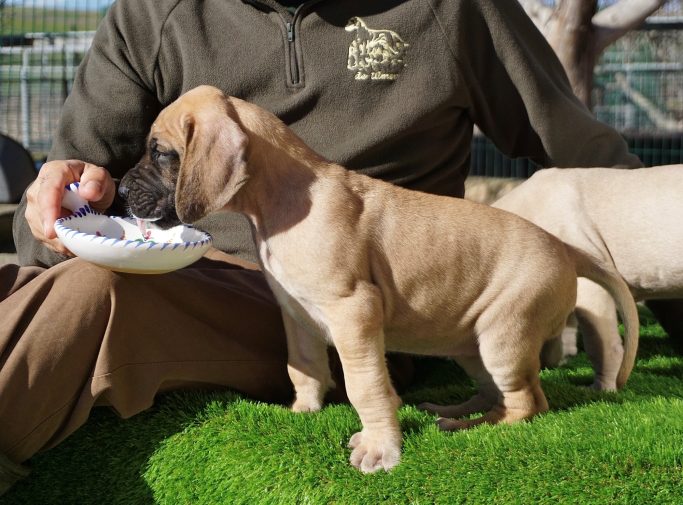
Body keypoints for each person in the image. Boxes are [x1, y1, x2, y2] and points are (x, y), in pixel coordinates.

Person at [0, 0, 642, 493]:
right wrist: (51, 209)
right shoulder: (154, 14)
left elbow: (587, 155)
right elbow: (76, 184)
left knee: (91, 297)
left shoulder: (450, 9)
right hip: (187, 263)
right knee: (47, 288)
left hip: (359, 296)